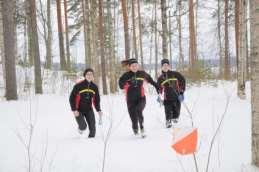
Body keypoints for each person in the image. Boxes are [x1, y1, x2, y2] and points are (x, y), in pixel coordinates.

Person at [119, 58, 159, 137]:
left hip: (141, 98)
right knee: (133, 118)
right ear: (129, 67)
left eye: (136, 65)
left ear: (138, 66)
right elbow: (121, 86)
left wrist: (157, 87)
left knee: (138, 111)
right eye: (132, 66)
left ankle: (142, 127)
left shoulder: (142, 73)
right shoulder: (126, 75)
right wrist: (128, 83)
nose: (134, 67)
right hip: (130, 100)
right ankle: (135, 127)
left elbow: (151, 81)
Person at [69, 68, 103, 138]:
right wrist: (74, 109)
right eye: (88, 74)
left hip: (89, 109)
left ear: (93, 76)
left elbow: (96, 100)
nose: (89, 76)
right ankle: (80, 129)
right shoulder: (78, 86)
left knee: (93, 130)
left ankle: (90, 144)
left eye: (91, 74)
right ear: (85, 75)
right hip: (79, 110)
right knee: (83, 126)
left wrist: (98, 109)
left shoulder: (94, 87)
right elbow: (71, 98)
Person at [157, 59, 186, 128]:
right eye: (164, 65)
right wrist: (159, 95)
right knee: (167, 110)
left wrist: (181, 92)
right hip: (167, 98)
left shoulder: (175, 74)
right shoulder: (160, 78)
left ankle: (175, 117)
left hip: (177, 96)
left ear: (169, 66)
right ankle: (168, 121)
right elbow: (159, 87)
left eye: (167, 65)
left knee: (177, 112)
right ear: (161, 67)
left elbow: (183, 81)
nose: (165, 67)